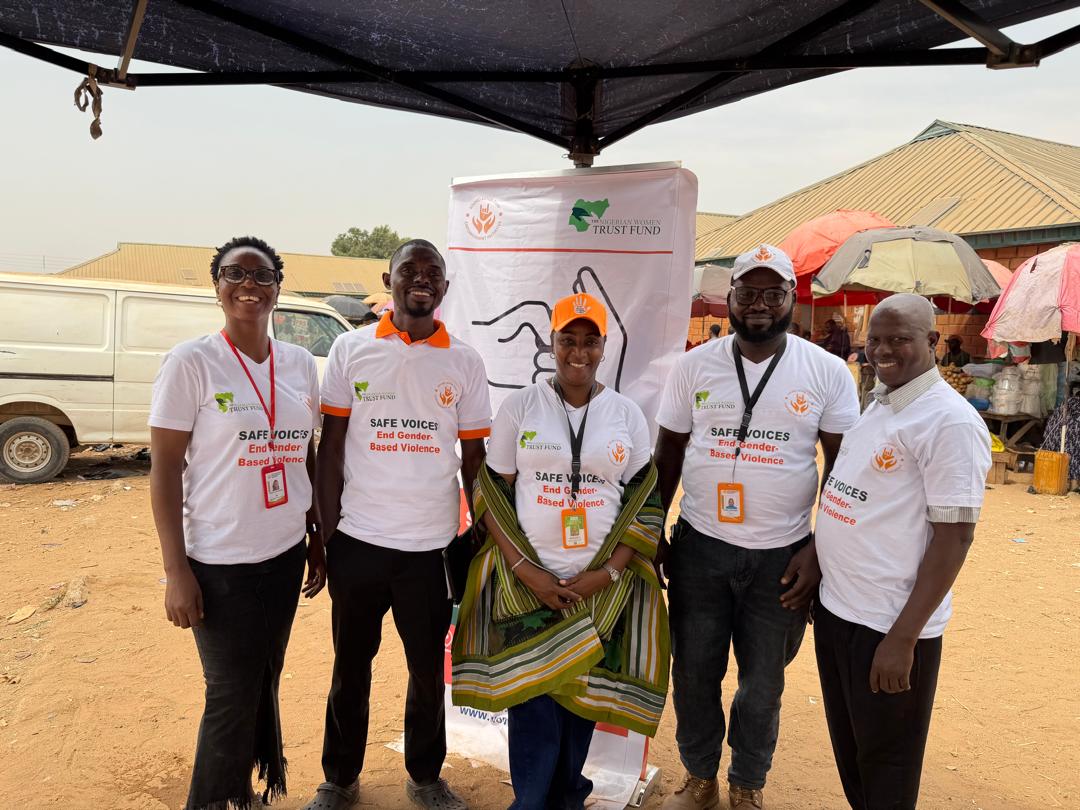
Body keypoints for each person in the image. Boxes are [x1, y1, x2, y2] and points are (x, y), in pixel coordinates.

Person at [656, 244, 860, 810]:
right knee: (693, 672)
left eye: (773, 293)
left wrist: (820, 548)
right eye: (748, 292)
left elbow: (843, 467)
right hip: (700, 548)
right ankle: (699, 777)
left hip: (783, 557)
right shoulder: (693, 367)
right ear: (731, 298)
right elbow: (668, 453)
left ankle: (748, 783)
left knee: (763, 683)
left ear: (792, 298)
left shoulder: (826, 371)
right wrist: (652, 529)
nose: (760, 305)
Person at [452, 292, 669, 810]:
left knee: (579, 704)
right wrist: (526, 570)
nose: (578, 351)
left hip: (598, 589)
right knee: (532, 703)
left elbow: (645, 499)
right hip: (528, 585)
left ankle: (569, 796)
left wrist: (608, 573)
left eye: (589, 341)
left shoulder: (625, 414)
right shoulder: (521, 406)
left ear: (604, 346)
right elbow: (490, 493)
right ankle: (530, 802)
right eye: (567, 339)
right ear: (551, 343)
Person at [304, 240, 490, 810]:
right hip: (358, 542)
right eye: (410, 270)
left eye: (433, 273)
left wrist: (482, 533)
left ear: (444, 288)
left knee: (427, 672)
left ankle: (425, 777)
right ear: (389, 280)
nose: (421, 279)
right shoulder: (350, 349)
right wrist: (326, 533)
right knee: (349, 667)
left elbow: (474, 460)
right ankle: (339, 778)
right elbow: (331, 447)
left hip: (430, 549)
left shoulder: (464, 362)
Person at [149, 236, 326, 810]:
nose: (249, 285)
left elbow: (306, 453)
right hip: (218, 561)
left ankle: (245, 790)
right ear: (217, 285)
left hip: (284, 553)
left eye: (262, 275)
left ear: (278, 287)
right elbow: (165, 469)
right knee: (229, 691)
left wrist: (315, 534)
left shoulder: (299, 364)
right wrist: (176, 571)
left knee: (265, 676)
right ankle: (211, 801)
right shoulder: (191, 362)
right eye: (236, 274)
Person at [814, 294, 992, 810]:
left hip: (888, 626)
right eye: (875, 339)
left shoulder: (950, 422)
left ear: (932, 341)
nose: (883, 350)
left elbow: (954, 538)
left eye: (899, 339)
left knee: (887, 764)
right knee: (854, 754)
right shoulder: (882, 401)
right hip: (839, 611)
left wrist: (902, 639)